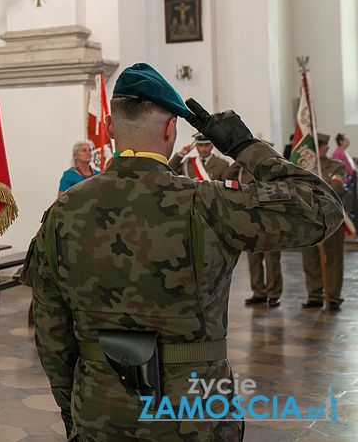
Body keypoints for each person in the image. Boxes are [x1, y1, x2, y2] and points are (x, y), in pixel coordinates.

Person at [24, 62, 343, 441]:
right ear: (170, 128)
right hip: (195, 414)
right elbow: (323, 207)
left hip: (99, 411)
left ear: (109, 128)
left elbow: (51, 335)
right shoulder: (206, 203)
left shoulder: (63, 212)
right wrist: (244, 146)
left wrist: (74, 408)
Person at [225, 152, 282, 306]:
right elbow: (227, 176)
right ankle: (258, 292)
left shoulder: (273, 171)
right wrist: (239, 160)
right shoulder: (244, 170)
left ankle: (274, 293)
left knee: (272, 261)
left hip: (271, 222)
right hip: (252, 222)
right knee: (254, 260)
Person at [301, 132, 348, 310]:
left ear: (326, 149)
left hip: (332, 220)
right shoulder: (302, 168)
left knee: (334, 259)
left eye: (319, 148)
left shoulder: (337, 166)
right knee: (310, 259)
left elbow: (335, 188)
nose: (316, 152)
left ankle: (333, 296)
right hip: (309, 220)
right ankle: (314, 295)